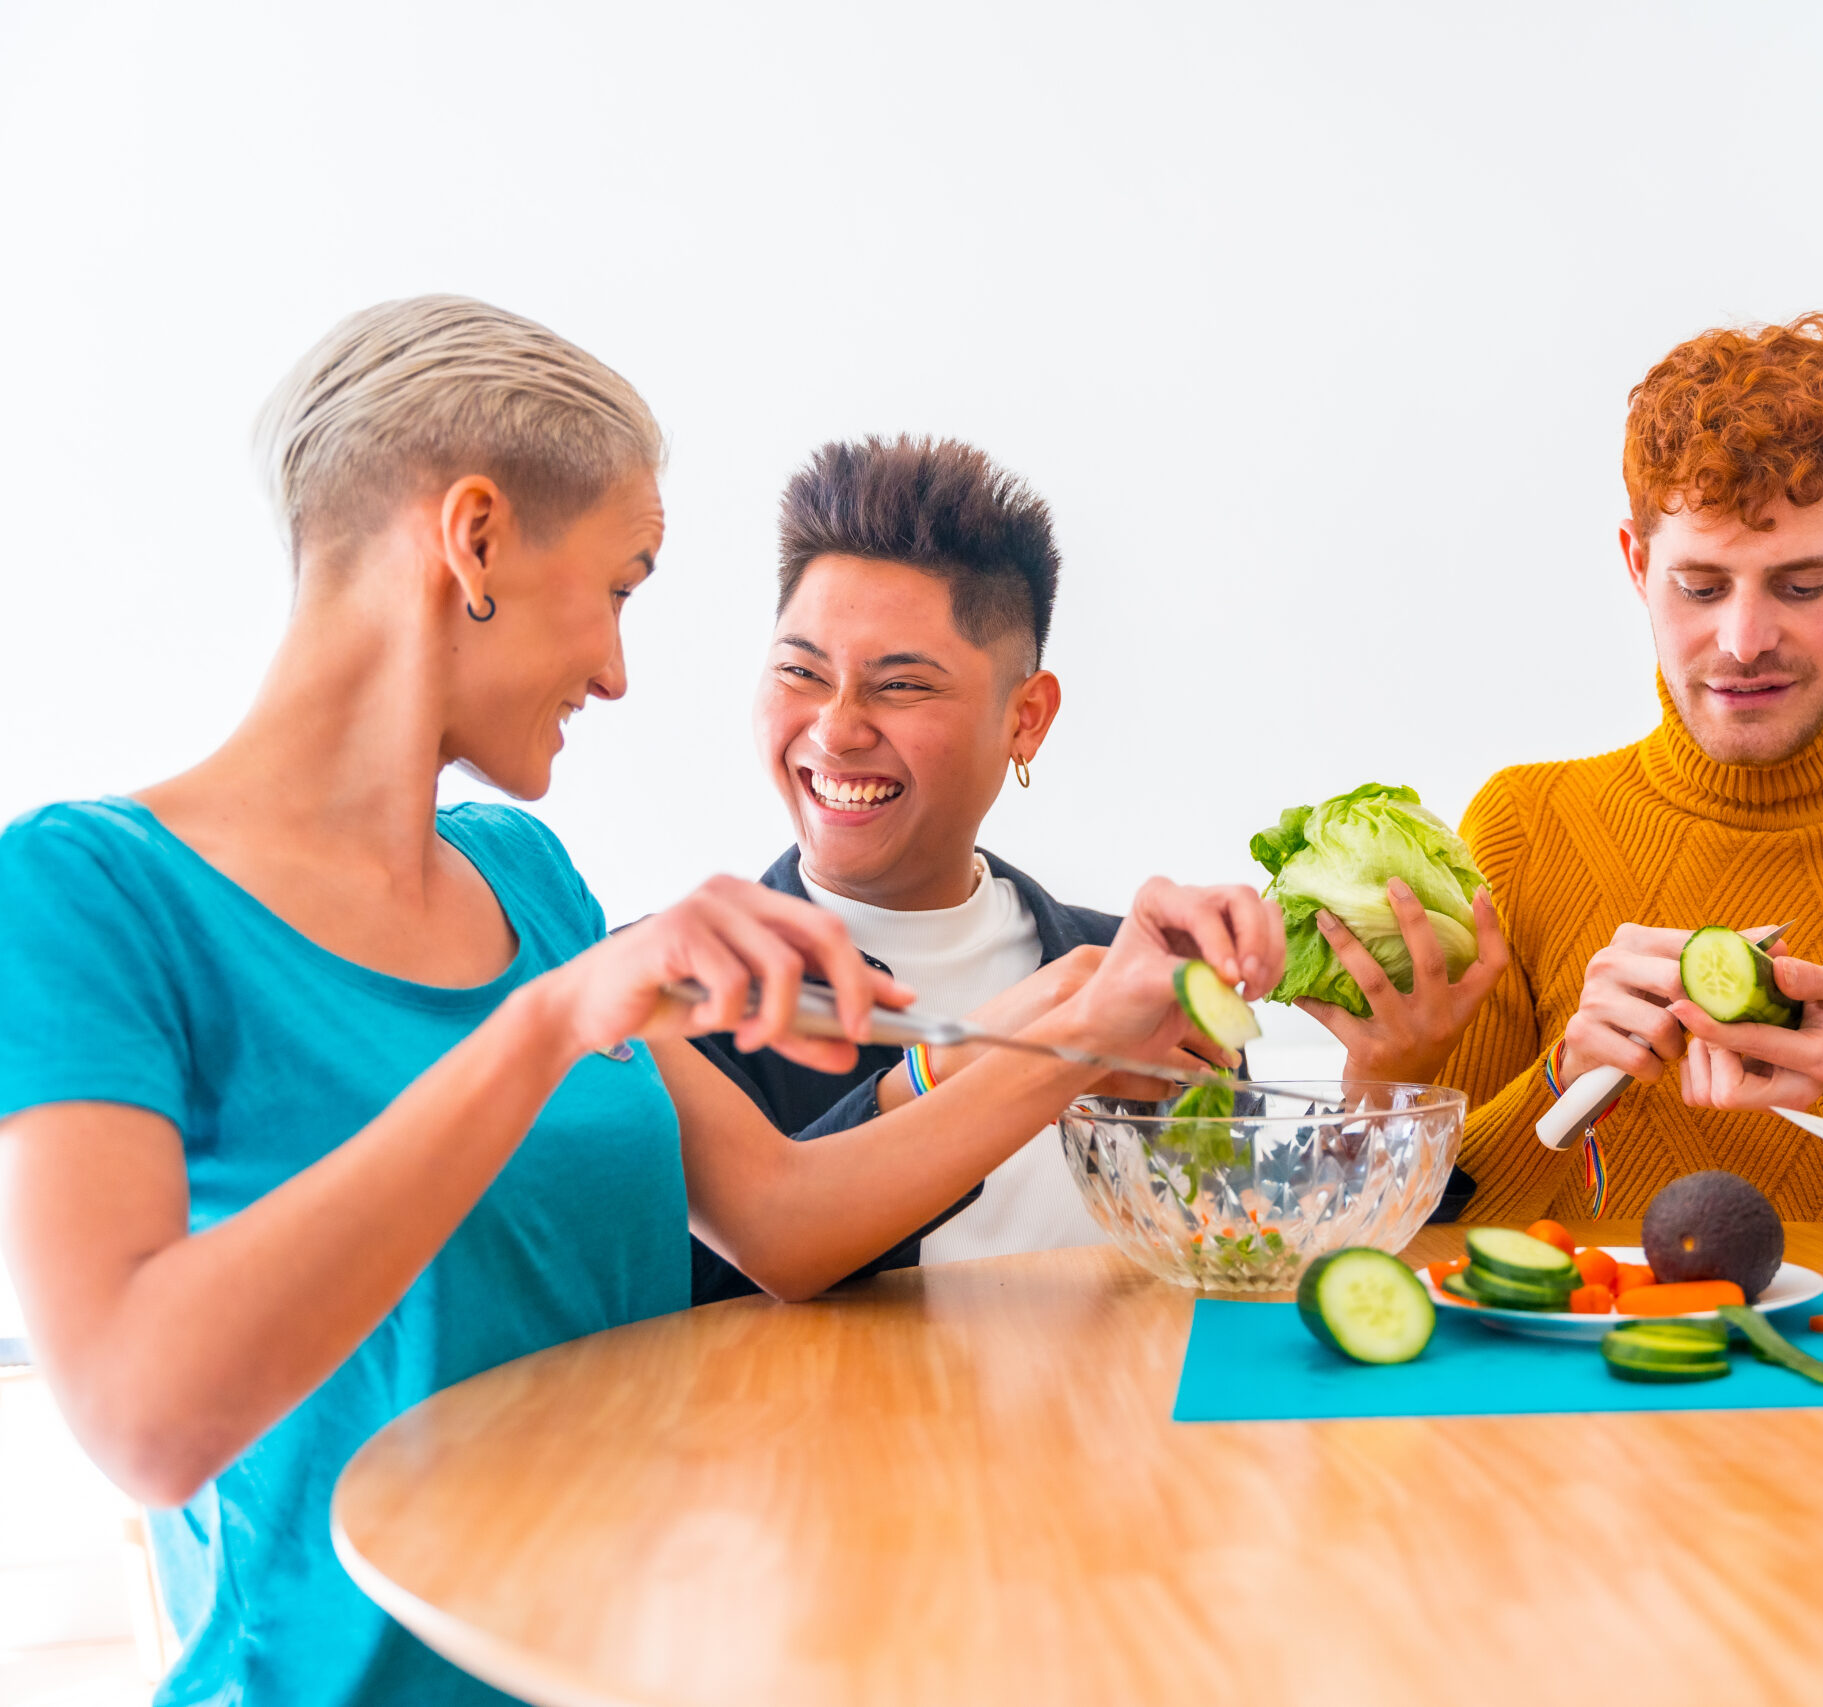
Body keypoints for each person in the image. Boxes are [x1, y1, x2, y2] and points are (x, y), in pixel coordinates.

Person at [0, 296, 1279, 1707]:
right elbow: (139, 1414)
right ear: (473, 540)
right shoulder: (89, 893)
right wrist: (544, 1024)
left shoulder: (523, 877)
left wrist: (1085, 1021)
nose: (617, 667)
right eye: (621, 584)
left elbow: (792, 1223)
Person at [1323, 313, 1823, 1225]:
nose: (1743, 642)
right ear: (1637, 563)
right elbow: (1422, 1230)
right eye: (1700, 588)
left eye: (1801, 585)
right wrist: (1562, 1076)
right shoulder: (1524, 825)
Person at [689, 436, 1138, 1302]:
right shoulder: (681, 996)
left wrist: (1384, 1077)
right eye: (799, 670)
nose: (835, 729)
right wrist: (989, 1053)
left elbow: (1237, 1273)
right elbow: (715, 1284)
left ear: (1027, 719)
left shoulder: (1130, 980)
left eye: (900, 686)